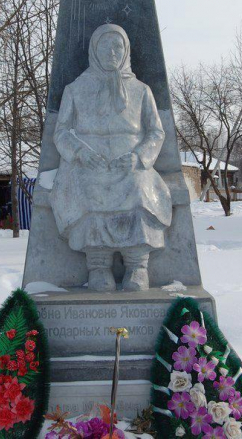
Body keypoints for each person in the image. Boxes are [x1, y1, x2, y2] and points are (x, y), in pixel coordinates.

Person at [51, 24, 172, 292]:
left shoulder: (141, 90)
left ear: (126, 50)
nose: (112, 52)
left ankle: (137, 265)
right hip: (90, 164)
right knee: (87, 186)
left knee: (140, 189)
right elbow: (61, 133)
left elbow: (155, 131)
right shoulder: (76, 89)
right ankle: (98, 266)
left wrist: (139, 157)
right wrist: (80, 154)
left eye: (118, 46)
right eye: (105, 46)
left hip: (130, 164)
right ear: (94, 50)